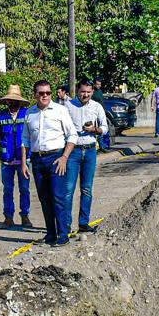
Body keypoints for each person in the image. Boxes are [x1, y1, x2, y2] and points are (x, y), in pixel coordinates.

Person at [21, 80, 76, 246]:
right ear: (35, 94)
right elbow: (25, 139)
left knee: (58, 197)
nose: (45, 96)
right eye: (41, 93)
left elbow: (72, 136)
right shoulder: (30, 113)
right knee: (44, 198)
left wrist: (64, 157)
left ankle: (63, 234)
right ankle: (50, 233)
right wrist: (24, 163)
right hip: (38, 159)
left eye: (48, 93)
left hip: (56, 158)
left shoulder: (60, 110)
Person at [65, 79, 109, 233]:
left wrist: (94, 129)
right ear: (77, 91)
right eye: (83, 91)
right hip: (72, 151)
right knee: (68, 189)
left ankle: (83, 223)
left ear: (92, 92)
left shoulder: (97, 107)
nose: (85, 95)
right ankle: (66, 225)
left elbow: (105, 128)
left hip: (90, 150)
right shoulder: (68, 106)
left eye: (88, 92)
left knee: (87, 189)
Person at [0, 84, 32, 228]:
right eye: (9, 100)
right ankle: (8, 217)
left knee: (24, 189)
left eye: (14, 100)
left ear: (19, 101)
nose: (11, 102)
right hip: (7, 160)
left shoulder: (27, 114)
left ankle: (25, 216)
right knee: (7, 189)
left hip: (24, 159)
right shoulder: (0, 115)